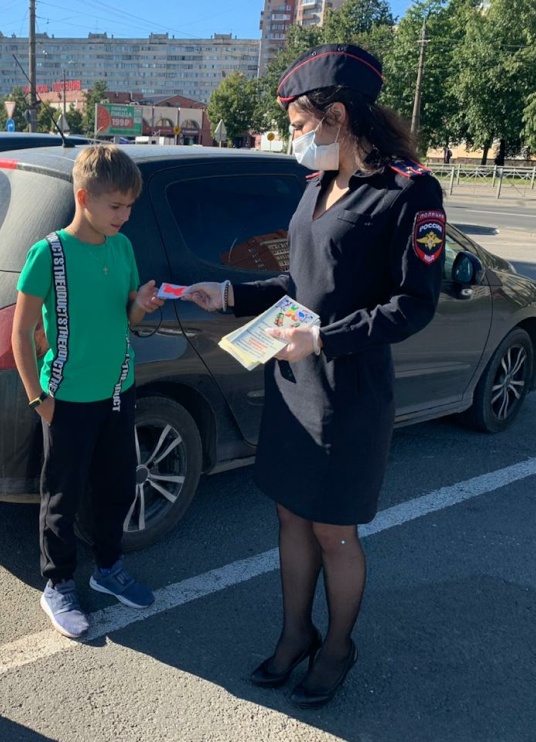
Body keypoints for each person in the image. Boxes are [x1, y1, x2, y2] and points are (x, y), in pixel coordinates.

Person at [184, 44, 446, 708]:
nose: (295, 138)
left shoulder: (410, 191)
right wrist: (230, 294)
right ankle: (296, 633)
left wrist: (325, 337)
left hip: (349, 393)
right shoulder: (315, 185)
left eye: (300, 125)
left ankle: (338, 647)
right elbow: (298, 282)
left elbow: (414, 304)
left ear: (337, 116)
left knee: (334, 531)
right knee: (290, 515)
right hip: (294, 383)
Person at [12, 144, 165, 639]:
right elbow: (20, 332)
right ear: (83, 197)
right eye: (116, 206)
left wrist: (142, 304)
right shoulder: (49, 253)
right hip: (68, 399)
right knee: (63, 495)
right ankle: (57, 584)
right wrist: (39, 398)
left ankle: (108, 568)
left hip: (118, 390)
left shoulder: (122, 247)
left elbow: (128, 317)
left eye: (130, 206)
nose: (125, 216)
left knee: (117, 486)